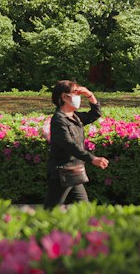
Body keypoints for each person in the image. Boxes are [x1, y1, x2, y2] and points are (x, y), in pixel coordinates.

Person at [45, 79, 108, 208]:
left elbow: (95, 114)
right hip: (61, 173)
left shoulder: (75, 116)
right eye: (75, 93)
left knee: (84, 210)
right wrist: (92, 159)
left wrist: (90, 95)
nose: (78, 97)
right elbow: (69, 145)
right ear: (64, 97)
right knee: (50, 211)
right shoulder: (59, 120)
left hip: (74, 171)